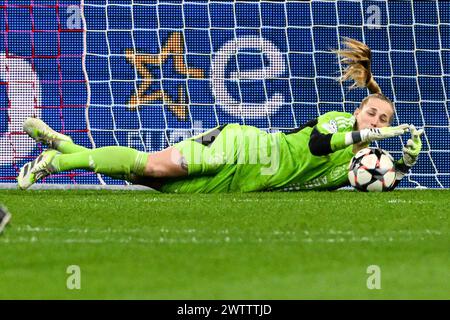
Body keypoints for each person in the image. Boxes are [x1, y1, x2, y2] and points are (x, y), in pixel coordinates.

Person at [17, 39, 423, 192]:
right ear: (358, 110)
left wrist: (403, 164)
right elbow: (318, 144)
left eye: (383, 120)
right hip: (245, 147)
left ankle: (63, 145)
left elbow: (378, 184)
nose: (375, 122)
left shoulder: (360, 164)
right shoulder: (340, 123)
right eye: (372, 113)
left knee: (146, 180)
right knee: (154, 166)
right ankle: (56, 162)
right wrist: (362, 137)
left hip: (244, 182)